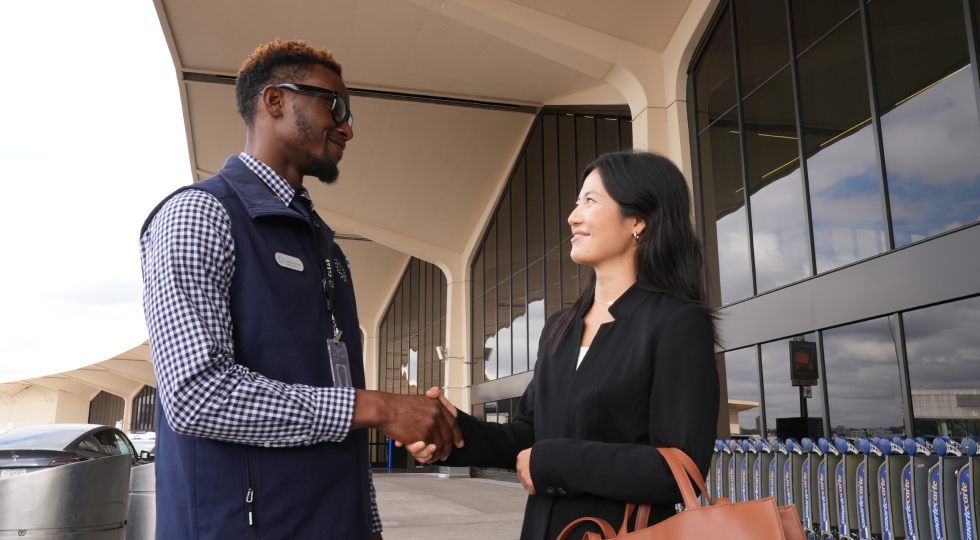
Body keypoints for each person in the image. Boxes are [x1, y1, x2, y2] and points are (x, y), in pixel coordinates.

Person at [140, 40, 462, 540]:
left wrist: (366, 521)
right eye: (335, 105)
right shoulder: (199, 215)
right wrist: (379, 407)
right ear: (274, 101)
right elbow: (196, 395)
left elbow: (334, 398)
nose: (348, 126)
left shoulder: (325, 247)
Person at [407, 151, 720, 540]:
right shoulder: (561, 326)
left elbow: (681, 469)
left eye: (590, 201)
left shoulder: (677, 322)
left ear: (638, 219)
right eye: (576, 203)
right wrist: (450, 429)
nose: (573, 216)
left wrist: (554, 461)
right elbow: (526, 437)